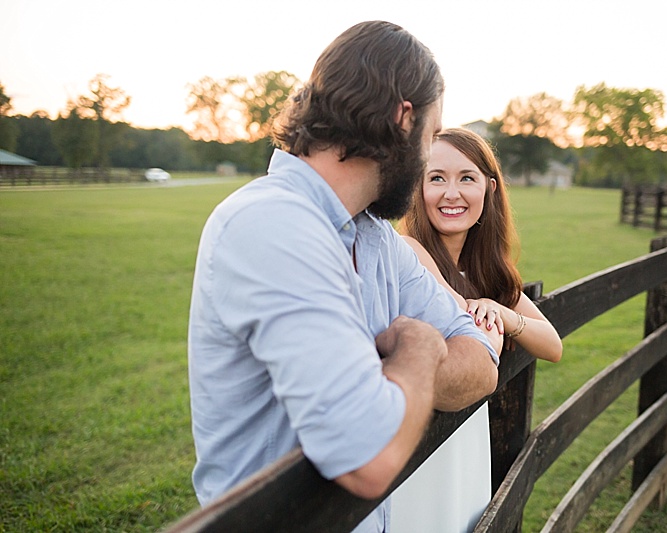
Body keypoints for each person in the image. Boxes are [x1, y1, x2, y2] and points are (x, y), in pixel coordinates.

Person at [187, 22, 502, 533]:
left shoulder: (377, 237)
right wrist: (421, 349)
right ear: (404, 119)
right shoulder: (271, 224)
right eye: (430, 135)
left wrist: (390, 381)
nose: (428, 156)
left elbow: (482, 360)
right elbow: (368, 457)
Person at [391, 127, 562, 532]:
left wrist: (506, 314)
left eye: (466, 178)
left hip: (466, 436)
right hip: (417, 444)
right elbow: (464, 316)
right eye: (436, 178)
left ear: (489, 188)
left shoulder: (486, 271)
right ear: (417, 187)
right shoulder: (408, 250)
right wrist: (489, 313)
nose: (451, 193)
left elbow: (552, 345)